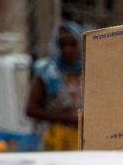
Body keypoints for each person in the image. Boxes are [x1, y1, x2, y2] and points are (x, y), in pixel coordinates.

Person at [26, 21, 83, 151]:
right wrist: (66, 117)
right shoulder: (47, 72)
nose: (67, 49)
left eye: (73, 44)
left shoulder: (87, 71)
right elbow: (30, 109)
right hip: (54, 139)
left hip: (80, 139)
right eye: (62, 45)